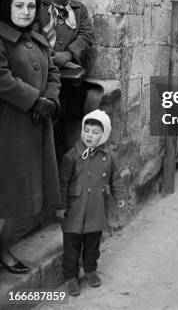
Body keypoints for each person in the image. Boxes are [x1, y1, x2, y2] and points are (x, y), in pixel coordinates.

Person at [0, 0, 60, 273]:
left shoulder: (37, 41)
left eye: (31, 6)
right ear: (8, 7)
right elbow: (2, 78)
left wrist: (50, 98)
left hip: (34, 126)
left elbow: (55, 73)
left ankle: (3, 248)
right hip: (8, 128)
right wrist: (35, 100)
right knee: (5, 191)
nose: (26, 12)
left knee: (16, 195)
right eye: (19, 6)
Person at [56, 110, 126, 296]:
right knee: (71, 246)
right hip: (75, 210)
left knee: (93, 243)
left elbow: (115, 178)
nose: (89, 135)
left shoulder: (108, 156)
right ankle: (71, 276)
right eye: (86, 130)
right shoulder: (72, 156)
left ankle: (90, 270)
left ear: (103, 135)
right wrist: (61, 206)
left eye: (95, 132)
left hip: (96, 208)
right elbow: (62, 183)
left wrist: (120, 196)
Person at [39, 0, 98, 158]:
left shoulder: (78, 10)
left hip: (68, 75)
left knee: (61, 120)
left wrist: (69, 53)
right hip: (41, 70)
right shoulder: (39, 8)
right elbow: (30, 31)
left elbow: (87, 35)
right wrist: (47, 55)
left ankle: (57, 161)